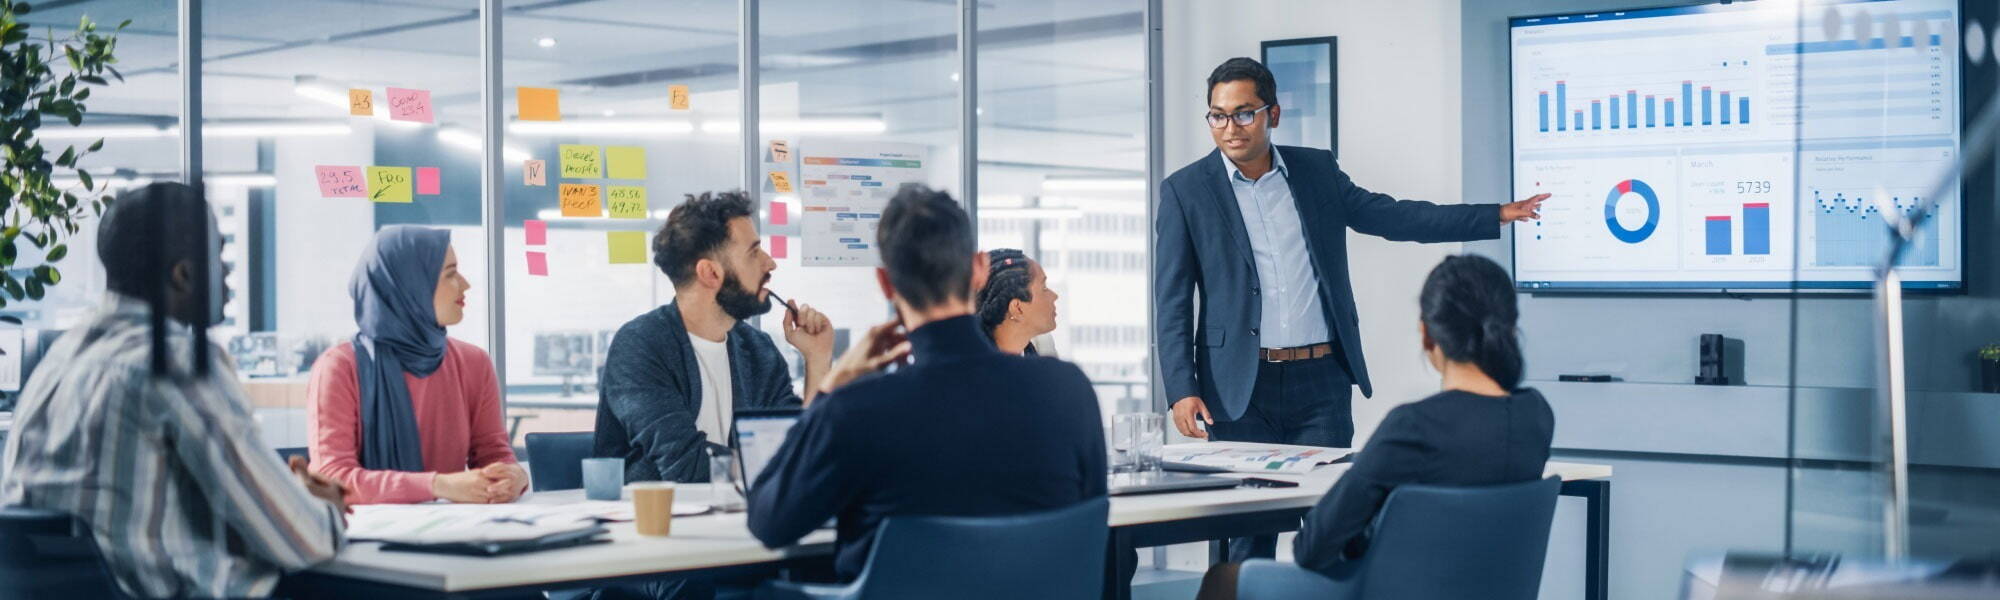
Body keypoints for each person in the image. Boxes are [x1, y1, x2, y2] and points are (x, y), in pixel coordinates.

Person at [1154, 57, 1548, 562]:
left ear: (1273, 113)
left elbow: (1395, 215)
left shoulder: (1316, 171)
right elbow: (1171, 299)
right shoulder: (1186, 191)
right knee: (1246, 541)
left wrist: (1493, 215)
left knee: (1335, 528)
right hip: (1237, 390)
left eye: (1244, 113)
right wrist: (1181, 389)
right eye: (1218, 116)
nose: (1230, 128)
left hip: (1321, 384)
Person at [1, 182, 348, 599]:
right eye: (220, 255)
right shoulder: (177, 363)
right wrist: (322, 507)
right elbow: (301, 538)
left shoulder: (60, 359)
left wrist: (286, 500)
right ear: (183, 274)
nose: (229, 272)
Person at [745, 185, 1107, 583]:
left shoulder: (858, 408)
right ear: (978, 269)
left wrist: (833, 385)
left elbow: (770, 521)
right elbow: (1085, 523)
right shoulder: (1068, 391)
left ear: (885, 283)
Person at [1194, 255, 1555, 600]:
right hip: (1482, 590)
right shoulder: (1536, 416)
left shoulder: (1414, 427)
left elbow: (1312, 548)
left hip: (1384, 591)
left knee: (1224, 579)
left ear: (1427, 335)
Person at [595, 190, 834, 485]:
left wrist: (817, 360)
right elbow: (687, 467)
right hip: (655, 525)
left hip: (742, 519)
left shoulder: (758, 350)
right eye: (754, 252)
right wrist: (779, 461)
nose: (770, 263)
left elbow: (800, 450)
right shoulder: (640, 346)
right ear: (709, 273)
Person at [306, 226, 527, 505]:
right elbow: (331, 478)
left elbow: (494, 454)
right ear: (410, 286)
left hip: (453, 530)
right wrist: (437, 485)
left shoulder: (474, 363)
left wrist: (515, 477)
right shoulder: (339, 367)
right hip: (367, 537)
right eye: (450, 273)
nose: (465, 284)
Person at [975, 247, 1060, 356]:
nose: (1055, 296)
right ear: (1017, 308)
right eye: (1044, 288)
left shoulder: (1043, 348)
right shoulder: (970, 367)